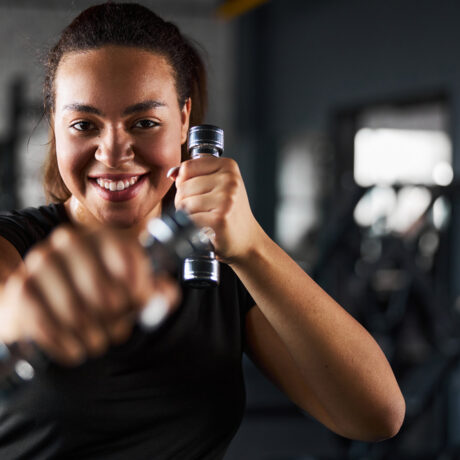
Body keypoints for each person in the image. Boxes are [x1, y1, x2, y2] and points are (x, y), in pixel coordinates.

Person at [0, 2, 405, 459]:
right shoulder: (11, 247)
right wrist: (15, 322)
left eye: (145, 123)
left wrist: (251, 246)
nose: (113, 152)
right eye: (84, 125)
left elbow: (377, 416)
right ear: (55, 124)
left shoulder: (226, 267)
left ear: (185, 120)